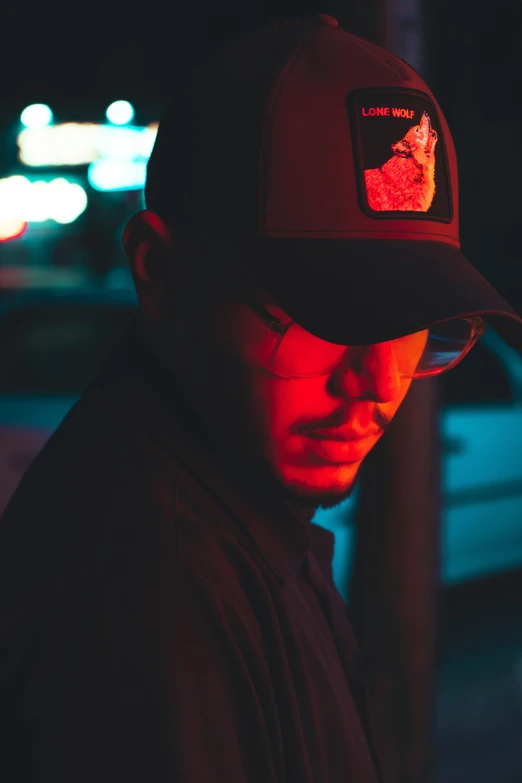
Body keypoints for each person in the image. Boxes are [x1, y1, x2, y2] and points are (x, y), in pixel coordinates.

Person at [1, 14, 521, 783]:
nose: (377, 384)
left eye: (412, 324)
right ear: (162, 276)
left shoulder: (238, 518)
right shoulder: (147, 599)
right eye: (320, 316)